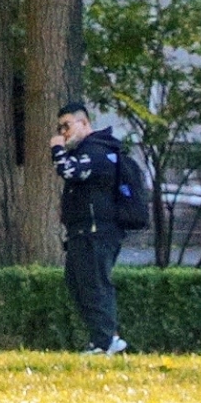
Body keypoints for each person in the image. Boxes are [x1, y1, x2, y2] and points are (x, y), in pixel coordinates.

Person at [51, 102, 145, 354]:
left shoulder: (96, 151)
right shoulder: (89, 150)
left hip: (97, 232)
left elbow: (69, 171)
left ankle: (106, 342)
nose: (63, 133)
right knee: (78, 283)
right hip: (82, 232)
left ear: (84, 123)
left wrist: (57, 150)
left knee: (94, 284)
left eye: (67, 126)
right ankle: (102, 338)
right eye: (60, 128)